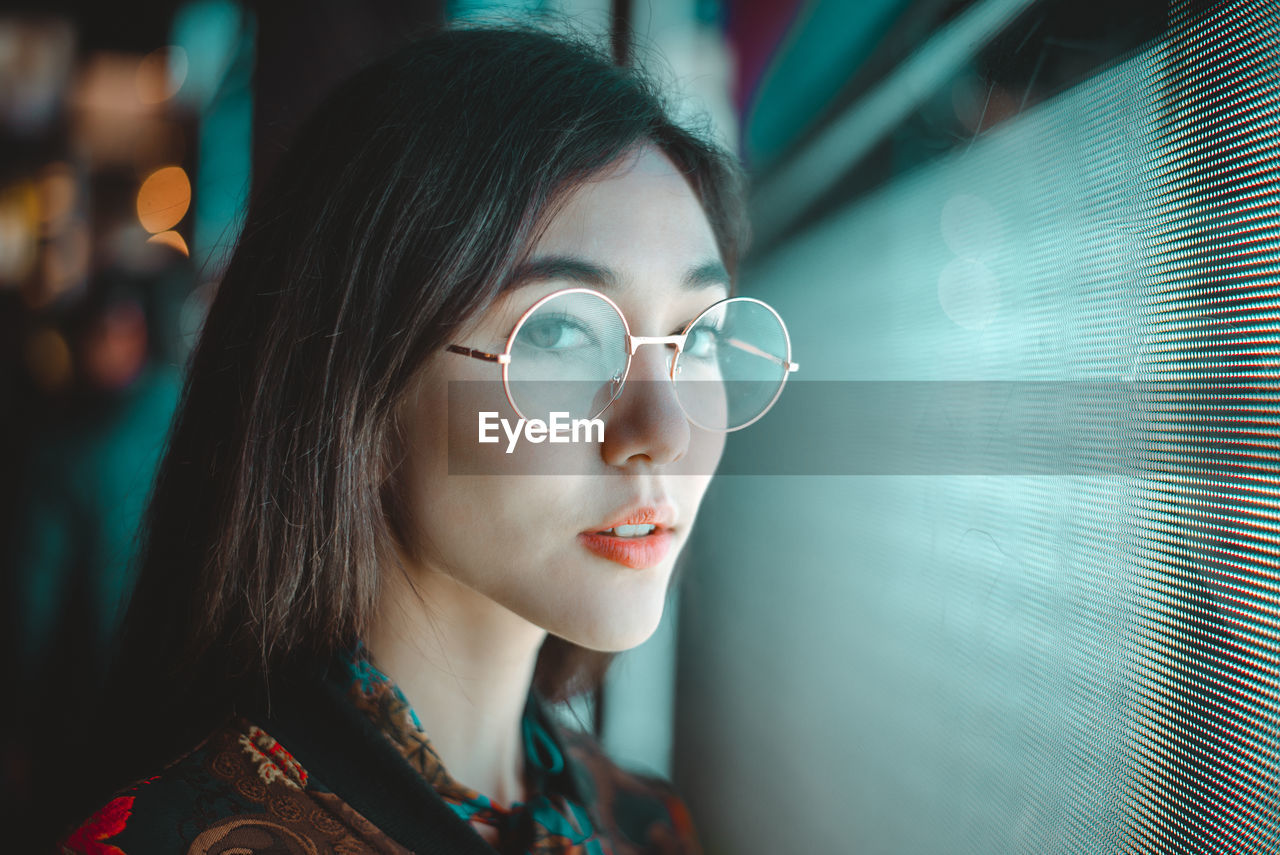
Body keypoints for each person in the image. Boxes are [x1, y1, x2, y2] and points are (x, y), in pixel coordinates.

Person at [52, 21, 797, 855]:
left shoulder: (647, 826)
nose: (664, 430)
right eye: (559, 335)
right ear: (358, 387)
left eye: (695, 337)